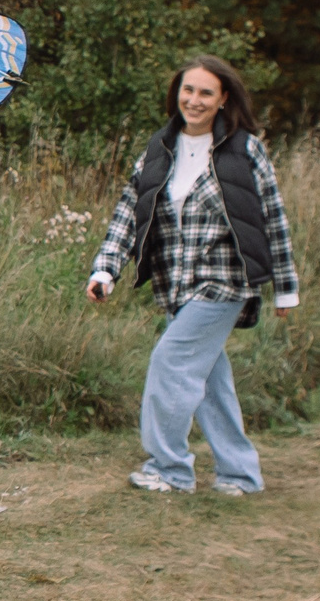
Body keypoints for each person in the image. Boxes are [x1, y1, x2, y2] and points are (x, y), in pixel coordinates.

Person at [85, 55, 301, 497]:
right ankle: (240, 475)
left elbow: (272, 217)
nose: (195, 100)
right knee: (209, 381)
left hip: (225, 282)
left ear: (223, 99)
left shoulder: (245, 150)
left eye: (206, 92)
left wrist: (286, 288)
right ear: (177, 94)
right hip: (176, 284)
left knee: (171, 364)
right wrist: (106, 267)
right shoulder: (159, 149)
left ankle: (170, 470)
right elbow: (129, 212)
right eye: (188, 90)